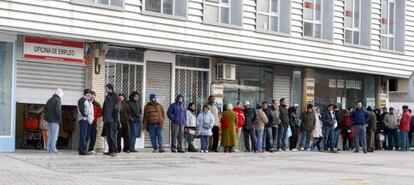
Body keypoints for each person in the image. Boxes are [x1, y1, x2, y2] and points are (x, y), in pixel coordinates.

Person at [44, 88, 63, 154]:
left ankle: (49, 149)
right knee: (54, 136)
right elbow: (58, 111)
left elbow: (44, 110)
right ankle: (53, 149)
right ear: (60, 94)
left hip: (49, 120)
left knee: (50, 135)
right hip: (55, 121)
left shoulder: (49, 100)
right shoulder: (58, 100)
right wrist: (60, 119)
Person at [102, 84, 119, 157]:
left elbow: (116, 108)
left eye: (106, 88)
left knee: (112, 135)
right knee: (108, 135)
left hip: (112, 119)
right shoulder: (107, 96)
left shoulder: (115, 96)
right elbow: (105, 107)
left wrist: (114, 118)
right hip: (106, 119)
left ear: (110, 88)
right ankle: (110, 150)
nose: (105, 90)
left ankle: (114, 150)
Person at [77, 89, 94, 155]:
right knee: (83, 135)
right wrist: (85, 116)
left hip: (89, 121)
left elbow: (91, 111)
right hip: (83, 120)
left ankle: (84, 149)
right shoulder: (82, 100)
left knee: (86, 135)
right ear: (85, 94)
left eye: (90, 93)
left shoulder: (88, 101)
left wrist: (92, 118)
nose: (89, 94)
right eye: (88, 93)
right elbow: (81, 109)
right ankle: (82, 150)